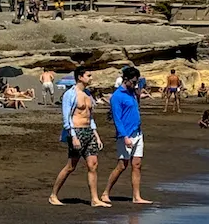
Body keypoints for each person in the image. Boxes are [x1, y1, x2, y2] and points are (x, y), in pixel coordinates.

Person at [51, 65, 105, 206]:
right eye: (89, 75)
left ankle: (94, 199)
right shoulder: (70, 94)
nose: (91, 78)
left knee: (93, 165)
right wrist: (73, 136)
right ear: (80, 77)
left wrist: (96, 134)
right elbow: (66, 117)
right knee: (71, 166)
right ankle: (53, 195)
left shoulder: (87, 94)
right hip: (77, 131)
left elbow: (90, 116)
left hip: (89, 131)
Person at [101, 66, 149, 205]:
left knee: (137, 164)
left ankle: (136, 196)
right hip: (126, 134)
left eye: (136, 82)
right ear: (125, 79)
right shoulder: (117, 96)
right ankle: (105, 193)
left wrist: (138, 88)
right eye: (133, 82)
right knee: (122, 165)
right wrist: (124, 136)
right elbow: (117, 118)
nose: (135, 84)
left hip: (138, 132)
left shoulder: (133, 93)